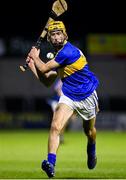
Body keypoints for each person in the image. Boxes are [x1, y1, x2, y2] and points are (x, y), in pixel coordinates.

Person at [26, 20, 99, 178]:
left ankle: (92, 149)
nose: (56, 36)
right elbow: (47, 81)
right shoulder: (59, 56)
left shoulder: (68, 52)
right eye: (53, 34)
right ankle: (50, 163)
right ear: (50, 39)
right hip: (68, 95)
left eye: (59, 33)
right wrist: (33, 65)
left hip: (87, 95)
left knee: (89, 131)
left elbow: (44, 68)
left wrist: (34, 56)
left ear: (65, 35)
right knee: (55, 127)